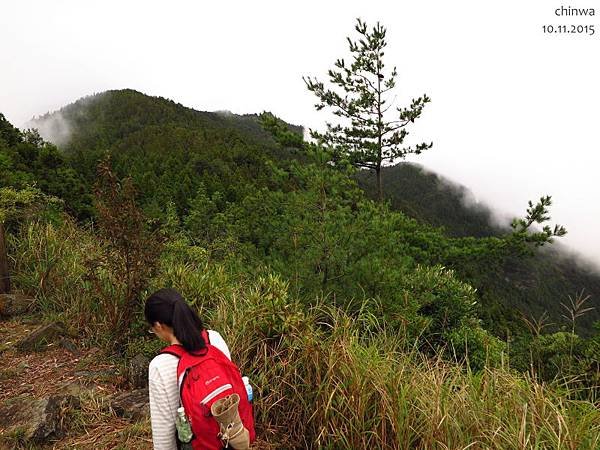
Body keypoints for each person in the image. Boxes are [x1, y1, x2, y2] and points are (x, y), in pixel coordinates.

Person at [145, 288, 232, 450]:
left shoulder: (160, 365)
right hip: (232, 438)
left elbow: (164, 435)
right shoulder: (215, 339)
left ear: (158, 325)